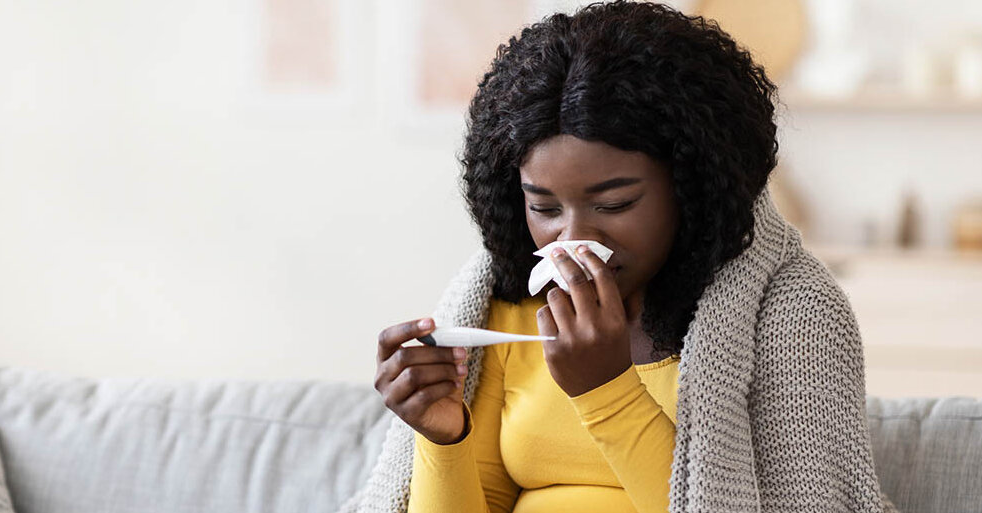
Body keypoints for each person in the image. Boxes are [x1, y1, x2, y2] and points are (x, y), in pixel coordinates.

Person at [356, 2, 897, 512]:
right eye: (543, 207)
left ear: (692, 183)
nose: (573, 239)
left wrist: (607, 393)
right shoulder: (506, 305)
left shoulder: (794, 317)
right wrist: (443, 436)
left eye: (614, 203)